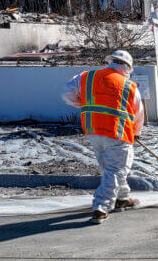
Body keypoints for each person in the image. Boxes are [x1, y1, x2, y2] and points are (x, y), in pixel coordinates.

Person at [62, 50, 144, 224]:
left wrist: (83, 103)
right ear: (127, 67)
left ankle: (122, 199)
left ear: (111, 62)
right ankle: (101, 206)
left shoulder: (87, 77)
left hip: (93, 130)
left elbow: (67, 93)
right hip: (117, 133)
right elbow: (138, 113)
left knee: (110, 169)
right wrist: (136, 132)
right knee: (116, 170)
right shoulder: (129, 86)